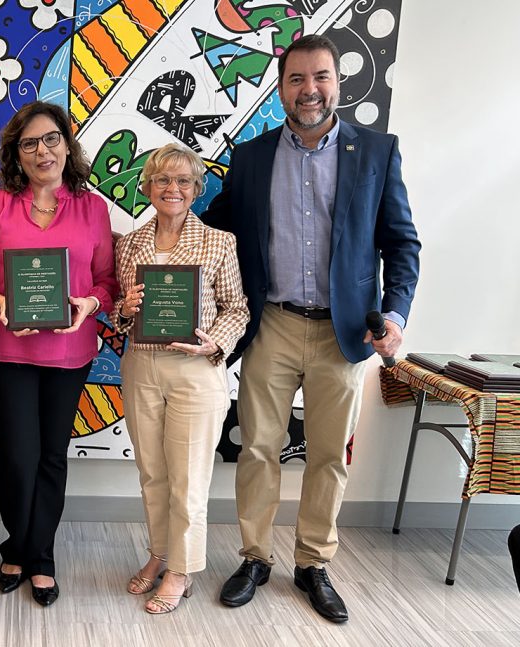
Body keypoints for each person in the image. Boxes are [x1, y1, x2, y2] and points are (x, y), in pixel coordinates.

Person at [201, 34, 421, 623]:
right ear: (281, 88)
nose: (309, 90)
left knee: (329, 455)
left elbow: (402, 244)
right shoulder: (250, 157)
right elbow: (212, 231)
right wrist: (152, 243)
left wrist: (394, 316)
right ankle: (254, 558)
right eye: (297, 79)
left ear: (337, 83)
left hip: (342, 333)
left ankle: (313, 564)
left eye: (320, 77)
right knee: (258, 450)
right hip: (269, 323)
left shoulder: (376, 151)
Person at [0, 101, 118, 606]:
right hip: (7, 350)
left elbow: (107, 281)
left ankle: (41, 555)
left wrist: (91, 304)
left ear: (66, 143)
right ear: (16, 152)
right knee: (16, 457)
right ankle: (15, 545)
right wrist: (1, 301)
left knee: (52, 456)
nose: (42, 151)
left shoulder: (92, 208)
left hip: (70, 351)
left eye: (51, 139)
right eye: (29, 143)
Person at [112, 143, 249, 614]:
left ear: (196, 190)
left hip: (196, 371)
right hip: (142, 369)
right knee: (153, 474)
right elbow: (118, 313)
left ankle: (182, 571)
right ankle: (159, 553)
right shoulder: (128, 243)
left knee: (189, 479)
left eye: (183, 181)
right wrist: (124, 311)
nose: (173, 189)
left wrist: (214, 342)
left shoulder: (218, 242)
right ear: (147, 187)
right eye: (163, 180)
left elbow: (238, 309)